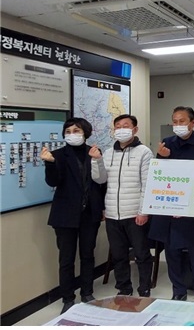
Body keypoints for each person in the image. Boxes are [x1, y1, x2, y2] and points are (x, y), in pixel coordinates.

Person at [148, 106, 194, 303]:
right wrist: (161, 157)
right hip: (169, 208)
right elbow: (159, 176)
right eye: (175, 121)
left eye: (182, 121)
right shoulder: (166, 143)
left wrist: (186, 205)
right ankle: (178, 290)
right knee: (172, 252)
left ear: (192, 123)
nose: (177, 125)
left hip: (192, 209)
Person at [40, 117, 105, 314]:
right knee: (66, 259)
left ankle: (87, 293)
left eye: (76, 131)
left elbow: (101, 183)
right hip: (65, 215)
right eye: (68, 131)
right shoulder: (57, 155)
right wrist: (50, 164)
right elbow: (53, 182)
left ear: (85, 132)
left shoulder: (94, 152)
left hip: (89, 214)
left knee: (88, 255)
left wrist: (101, 208)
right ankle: (68, 298)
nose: (71, 134)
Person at [90, 114, 154, 298]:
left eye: (125, 126)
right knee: (118, 255)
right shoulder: (108, 152)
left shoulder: (144, 152)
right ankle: (124, 288)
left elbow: (147, 184)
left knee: (141, 253)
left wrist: (143, 211)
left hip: (135, 213)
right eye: (117, 126)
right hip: (112, 213)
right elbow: (100, 179)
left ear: (135, 129)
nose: (121, 129)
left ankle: (144, 287)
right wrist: (96, 161)